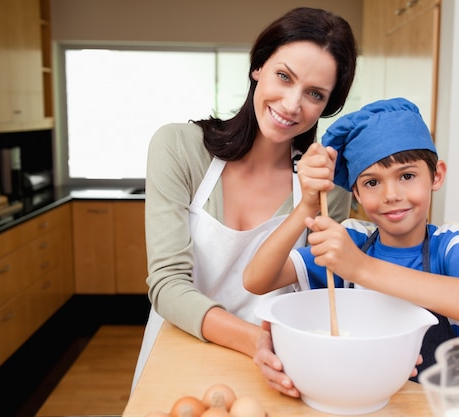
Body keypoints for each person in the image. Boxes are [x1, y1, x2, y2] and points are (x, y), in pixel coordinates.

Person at [131, 7, 358, 397]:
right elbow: (167, 284)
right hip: (181, 351)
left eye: (314, 94)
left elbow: (317, 295)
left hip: (274, 372)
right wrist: (256, 342)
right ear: (258, 67)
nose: (291, 104)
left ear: (327, 105)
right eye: (283, 76)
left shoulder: (325, 189)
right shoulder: (179, 148)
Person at [244, 97, 459, 379]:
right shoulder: (353, 239)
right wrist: (307, 205)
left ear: (436, 176)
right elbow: (256, 279)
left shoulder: (449, 245)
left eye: (407, 176)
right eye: (372, 182)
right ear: (356, 193)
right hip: (356, 394)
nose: (391, 195)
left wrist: (360, 268)